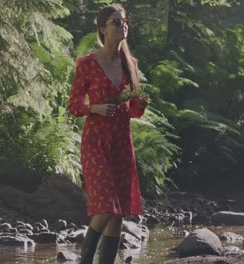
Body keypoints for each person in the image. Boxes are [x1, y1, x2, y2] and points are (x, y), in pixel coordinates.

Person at [68, 4, 149, 264]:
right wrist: (95, 108)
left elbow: (134, 112)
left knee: (118, 214)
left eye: (124, 20)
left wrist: (141, 103)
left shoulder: (131, 64)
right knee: (105, 207)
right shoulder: (88, 63)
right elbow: (74, 106)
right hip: (96, 141)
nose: (122, 25)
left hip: (121, 142)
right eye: (116, 21)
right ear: (103, 29)